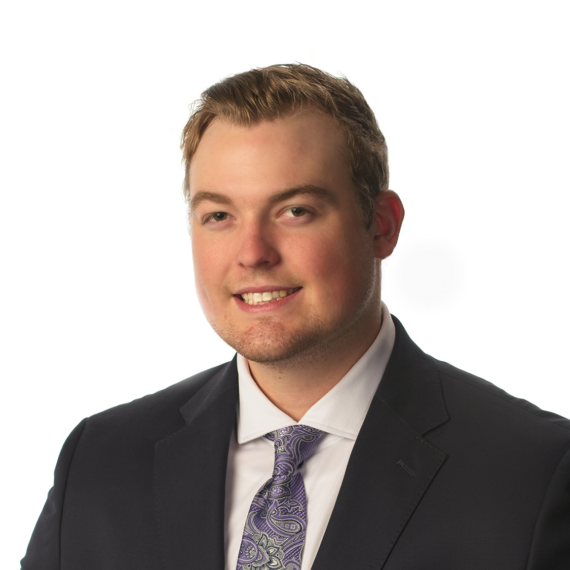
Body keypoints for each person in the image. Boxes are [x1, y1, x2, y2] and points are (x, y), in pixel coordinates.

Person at [22, 63, 570, 570]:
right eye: (219, 215)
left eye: (295, 211)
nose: (253, 252)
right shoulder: (99, 463)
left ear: (381, 225)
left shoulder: (534, 473)